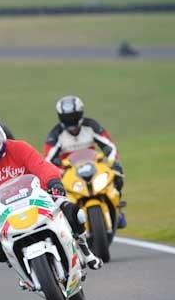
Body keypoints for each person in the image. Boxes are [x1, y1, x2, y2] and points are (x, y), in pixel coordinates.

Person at [0, 120, 103, 271]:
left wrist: (53, 182)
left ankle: (86, 251)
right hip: (3, 213)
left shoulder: (19, 148)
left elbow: (40, 165)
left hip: (38, 199)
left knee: (75, 214)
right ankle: (21, 268)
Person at [43, 95, 125, 227]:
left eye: (74, 116)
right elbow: (48, 160)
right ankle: (65, 222)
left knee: (117, 175)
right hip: (69, 173)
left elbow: (109, 145)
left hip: (95, 167)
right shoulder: (55, 134)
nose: (71, 122)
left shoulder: (91, 126)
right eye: (67, 118)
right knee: (57, 193)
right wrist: (59, 171)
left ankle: (118, 209)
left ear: (80, 113)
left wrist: (115, 162)